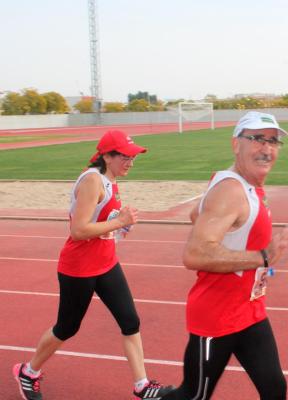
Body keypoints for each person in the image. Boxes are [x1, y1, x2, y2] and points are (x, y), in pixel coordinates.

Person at [12, 130, 173, 400]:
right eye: (125, 156)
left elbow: (100, 224)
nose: (130, 162)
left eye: (133, 157)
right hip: (79, 267)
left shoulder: (110, 180)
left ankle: (142, 386)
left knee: (130, 321)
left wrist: (119, 228)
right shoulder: (92, 181)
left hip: (106, 262)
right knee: (67, 328)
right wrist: (119, 222)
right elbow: (79, 230)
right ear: (107, 156)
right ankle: (28, 372)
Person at [162, 112, 288, 400]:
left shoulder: (244, 185)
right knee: (193, 395)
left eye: (273, 141)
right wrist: (263, 256)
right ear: (235, 144)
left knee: (275, 389)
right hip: (216, 316)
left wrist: (215, 222)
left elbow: (195, 213)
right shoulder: (231, 190)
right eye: (257, 139)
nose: (267, 149)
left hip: (248, 311)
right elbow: (195, 254)